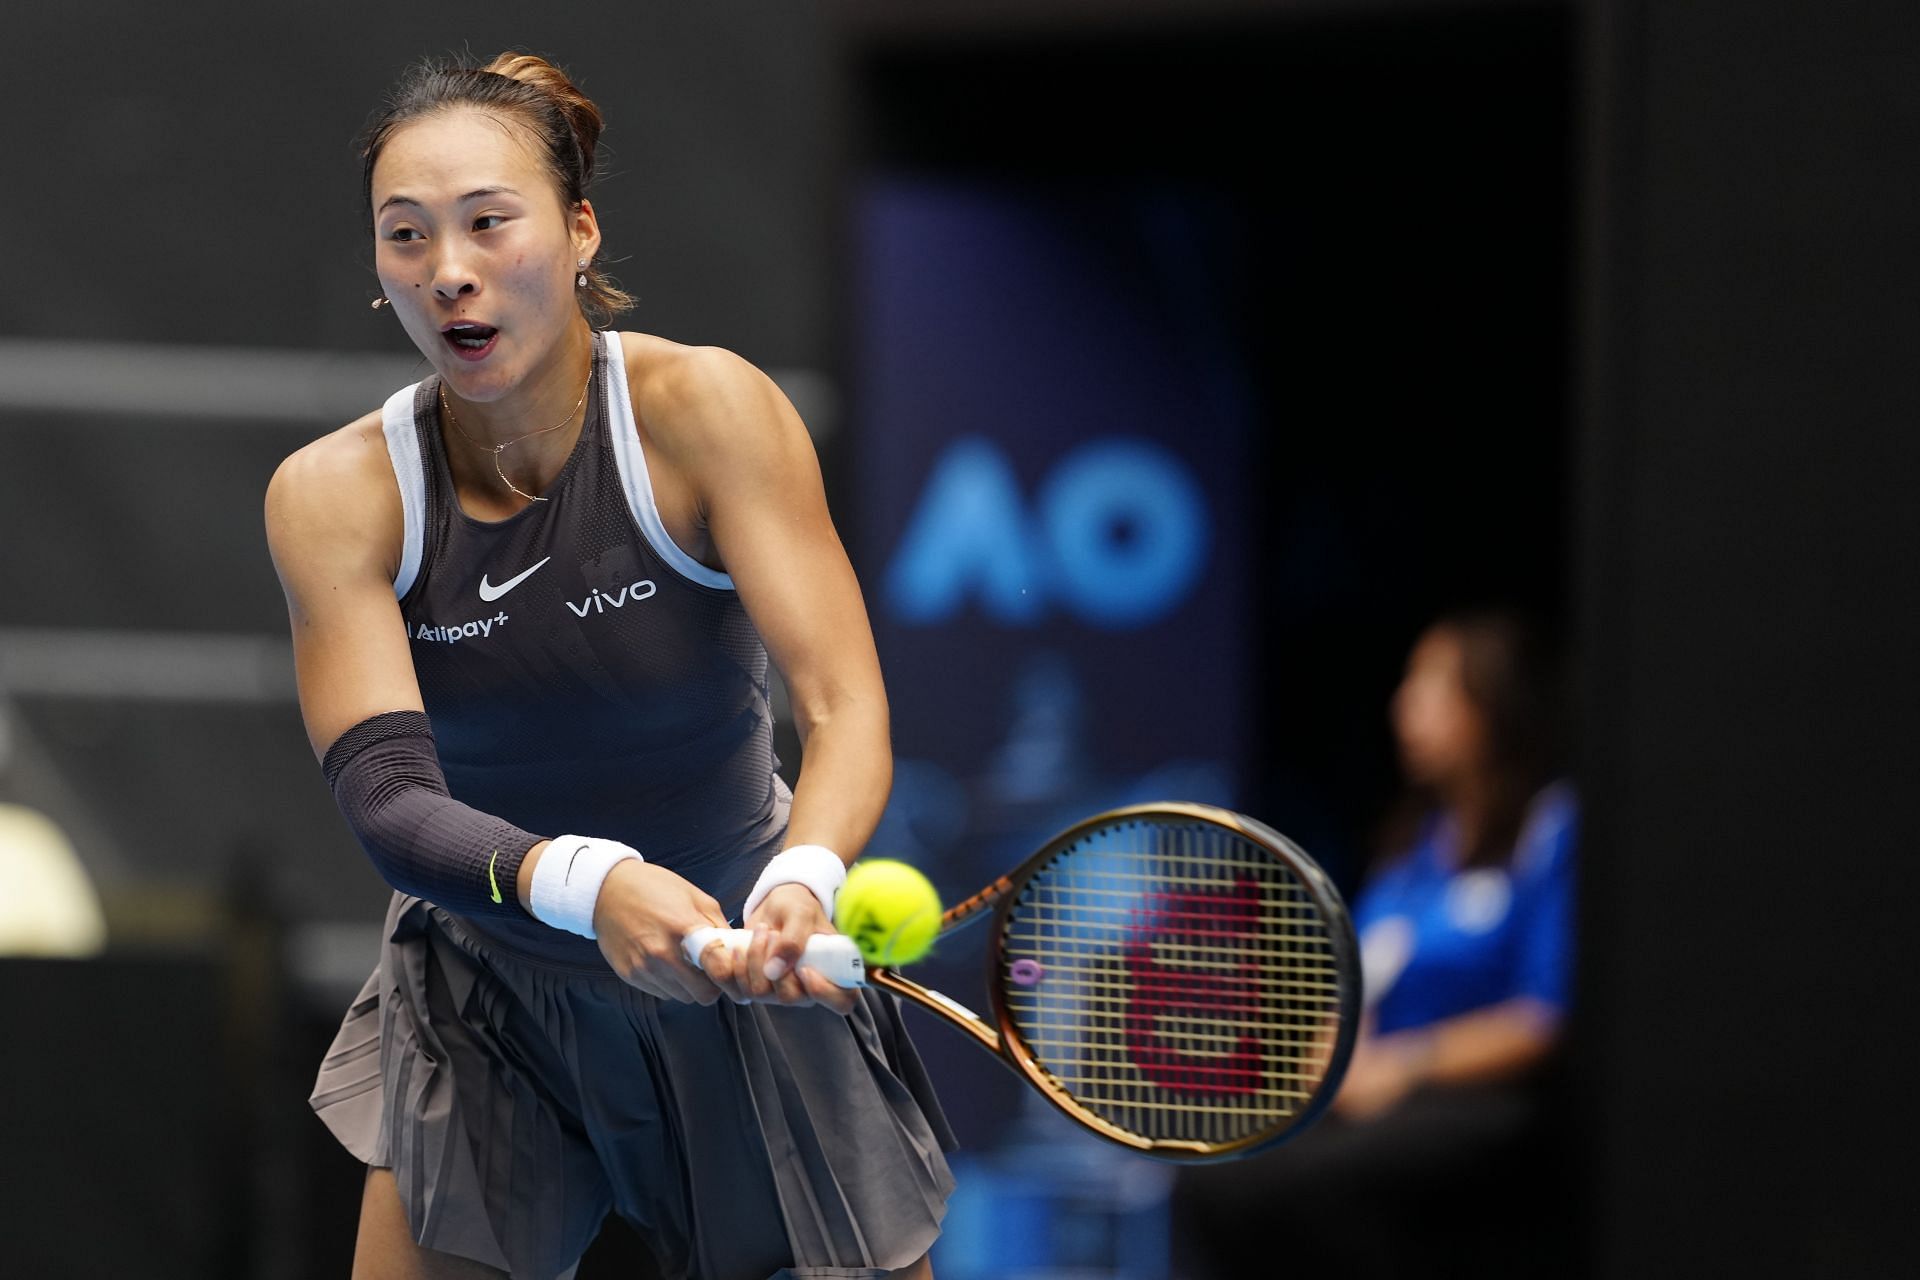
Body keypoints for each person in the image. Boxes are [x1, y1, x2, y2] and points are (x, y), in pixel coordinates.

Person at [265, 53, 953, 1280]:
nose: (450, 271)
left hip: (744, 959)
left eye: (488, 221)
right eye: (406, 236)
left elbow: (843, 702)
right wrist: (587, 882)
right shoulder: (335, 496)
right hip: (485, 988)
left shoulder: (709, 414)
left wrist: (802, 874)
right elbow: (387, 803)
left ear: (579, 228)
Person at [1172, 610, 1576, 1278]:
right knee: (1213, 1179)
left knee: (1302, 1191)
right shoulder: (1413, 846)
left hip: (1480, 1105)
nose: (1404, 707)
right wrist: (1334, 1059)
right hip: (1379, 1097)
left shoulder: (1552, 830)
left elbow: (1542, 1019)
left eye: (1432, 686)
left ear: (1493, 704)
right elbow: (1359, 983)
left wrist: (1403, 1067)